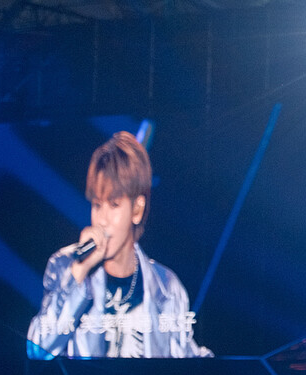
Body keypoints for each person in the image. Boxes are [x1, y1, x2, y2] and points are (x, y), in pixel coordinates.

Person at [26, 131, 213, 358]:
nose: (102, 220)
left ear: (137, 210)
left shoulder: (166, 287)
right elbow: (37, 350)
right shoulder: (65, 266)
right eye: (97, 205)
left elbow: (187, 363)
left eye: (114, 205)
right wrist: (79, 272)